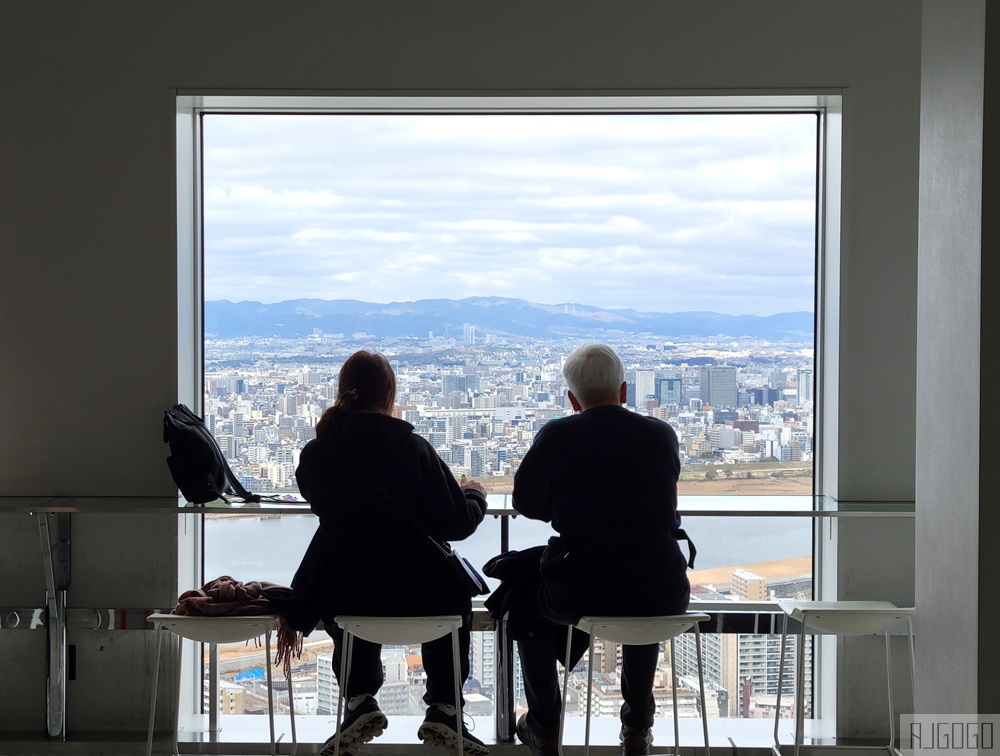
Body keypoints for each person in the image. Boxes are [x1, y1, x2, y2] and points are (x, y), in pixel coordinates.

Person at [294, 350, 491, 756]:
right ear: (390, 394)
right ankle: (445, 708)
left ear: (342, 391)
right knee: (450, 593)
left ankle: (357, 700)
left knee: (352, 575)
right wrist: (474, 494)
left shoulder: (316, 455)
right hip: (425, 600)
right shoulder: (414, 450)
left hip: (347, 598)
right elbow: (458, 524)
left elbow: (329, 509)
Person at [510, 343, 691, 756]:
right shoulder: (661, 434)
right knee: (642, 612)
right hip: (662, 585)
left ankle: (543, 727)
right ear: (624, 390)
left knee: (524, 606)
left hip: (581, 588)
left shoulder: (557, 435)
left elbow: (526, 503)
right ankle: (636, 731)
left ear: (572, 399)